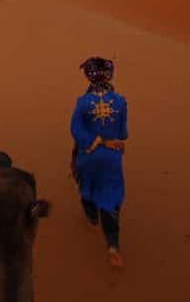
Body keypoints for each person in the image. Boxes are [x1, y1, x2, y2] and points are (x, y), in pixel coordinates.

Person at [70, 56, 128, 269]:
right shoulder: (120, 101)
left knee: (87, 187)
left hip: (88, 156)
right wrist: (109, 139)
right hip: (112, 158)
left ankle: (91, 215)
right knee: (111, 198)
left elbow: (76, 130)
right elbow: (123, 133)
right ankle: (112, 245)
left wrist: (94, 141)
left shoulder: (82, 102)